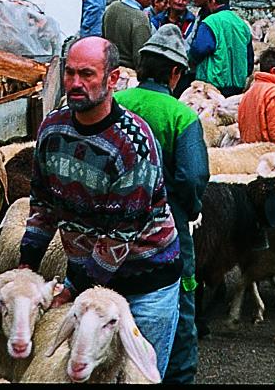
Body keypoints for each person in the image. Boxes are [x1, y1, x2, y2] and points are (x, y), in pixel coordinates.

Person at [19, 35, 182, 378]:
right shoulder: (52, 130)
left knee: (138, 376)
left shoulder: (133, 143)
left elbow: (118, 235)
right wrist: (26, 266)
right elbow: (43, 203)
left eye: (87, 74)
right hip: (88, 279)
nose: (76, 83)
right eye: (70, 73)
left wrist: (72, 290)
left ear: (112, 78)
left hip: (144, 281)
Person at [116, 24, 210, 384]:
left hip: (112, 228)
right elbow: (192, 177)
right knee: (180, 307)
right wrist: (192, 207)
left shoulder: (117, 105)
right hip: (167, 230)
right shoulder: (180, 116)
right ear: (175, 73)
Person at [188, 0, 254, 96]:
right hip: (237, 86)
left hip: (212, 86)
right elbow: (249, 60)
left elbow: (200, 49)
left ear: (212, 1)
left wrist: (191, 61)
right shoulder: (242, 24)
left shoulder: (210, 22)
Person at [237, 47, 275, 159]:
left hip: (249, 154)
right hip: (270, 158)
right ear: (274, 71)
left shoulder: (250, 91)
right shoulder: (274, 94)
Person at [102, 0, 155, 70]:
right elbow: (140, 56)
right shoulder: (140, 18)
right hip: (129, 74)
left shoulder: (111, 8)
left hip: (109, 68)